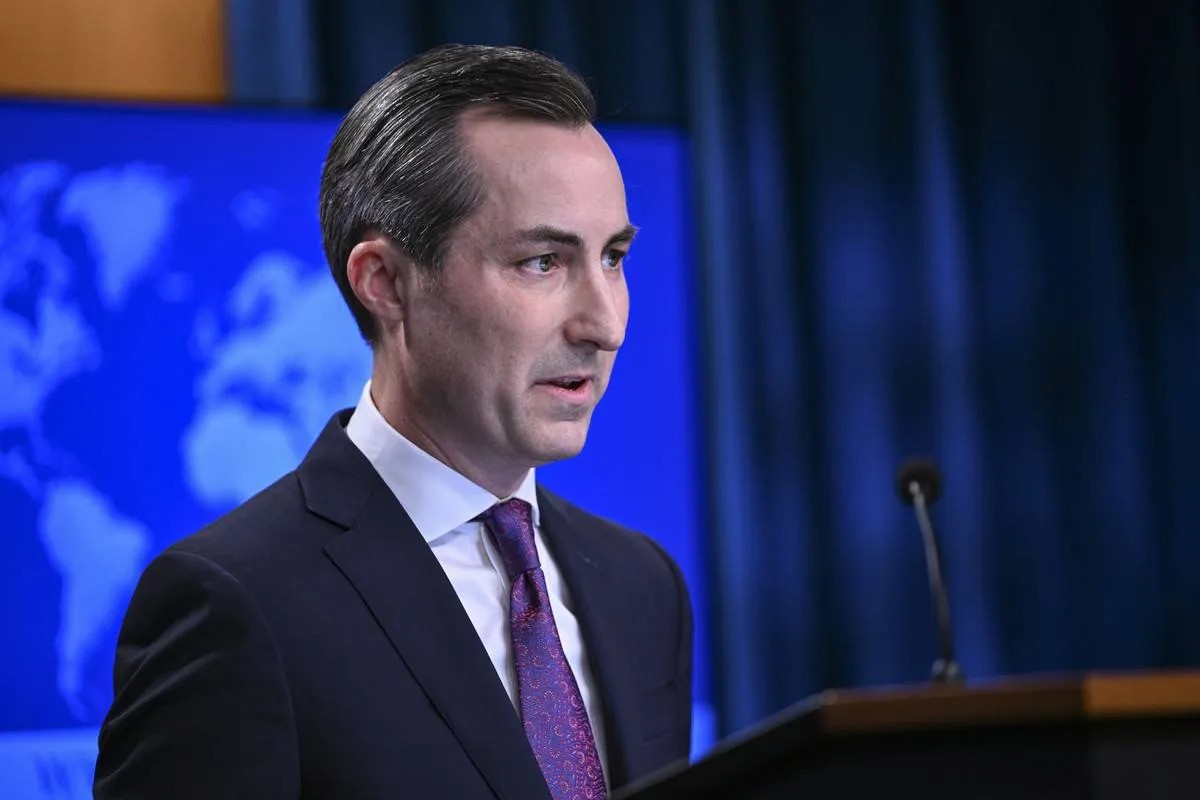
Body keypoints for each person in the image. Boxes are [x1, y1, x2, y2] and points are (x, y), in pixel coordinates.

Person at [93, 44, 693, 799]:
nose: (605, 325)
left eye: (613, 258)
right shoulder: (234, 604)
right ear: (384, 283)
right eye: (543, 261)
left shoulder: (643, 585)